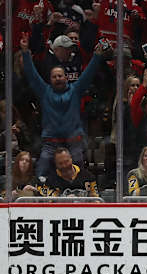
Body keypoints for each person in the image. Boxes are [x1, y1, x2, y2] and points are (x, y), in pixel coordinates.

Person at [20, 33, 107, 177]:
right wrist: (25, 53)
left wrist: (97, 56)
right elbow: (32, 75)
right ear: (50, 79)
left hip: (74, 142)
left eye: (60, 76)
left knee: (79, 167)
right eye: (54, 76)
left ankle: (81, 193)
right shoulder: (44, 91)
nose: (57, 78)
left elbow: (89, 73)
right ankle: (42, 196)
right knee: (42, 168)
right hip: (51, 143)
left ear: (66, 78)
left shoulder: (76, 90)